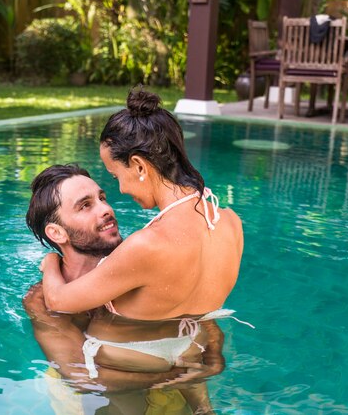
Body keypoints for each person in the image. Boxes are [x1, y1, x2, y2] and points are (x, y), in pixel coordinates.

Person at [40, 90, 252, 391]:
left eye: (116, 176)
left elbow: (59, 301)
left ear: (139, 166)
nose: (121, 191)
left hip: (130, 364)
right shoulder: (232, 223)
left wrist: (50, 262)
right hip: (192, 351)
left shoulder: (147, 245)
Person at [24, 164, 226, 415]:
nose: (107, 209)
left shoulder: (137, 265)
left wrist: (214, 356)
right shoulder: (42, 299)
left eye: (102, 198)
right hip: (94, 397)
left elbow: (198, 314)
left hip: (163, 379)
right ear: (57, 232)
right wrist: (175, 374)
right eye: (85, 205)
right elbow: (81, 376)